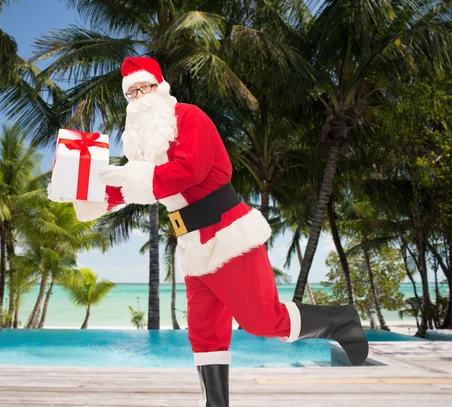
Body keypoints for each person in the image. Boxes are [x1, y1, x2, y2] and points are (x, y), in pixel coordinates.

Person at [61, 56, 368, 407]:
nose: (137, 98)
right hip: (192, 246)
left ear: (159, 88)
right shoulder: (145, 148)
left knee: (263, 319)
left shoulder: (190, 118)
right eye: (130, 93)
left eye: (142, 88)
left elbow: (190, 170)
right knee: (205, 333)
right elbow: (135, 184)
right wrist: (88, 194)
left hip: (226, 232)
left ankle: (340, 320)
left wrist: (134, 178)